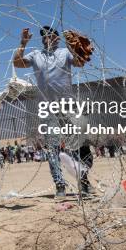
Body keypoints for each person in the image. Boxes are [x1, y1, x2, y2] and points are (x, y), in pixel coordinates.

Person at [13, 25, 94, 197]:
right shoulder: (36, 55)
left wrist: (75, 47)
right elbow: (17, 63)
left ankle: (84, 181)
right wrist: (23, 43)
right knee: (53, 147)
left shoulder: (65, 52)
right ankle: (59, 184)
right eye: (43, 36)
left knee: (78, 145)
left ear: (57, 38)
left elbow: (79, 63)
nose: (46, 38)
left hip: (68, 106)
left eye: (50, 35)